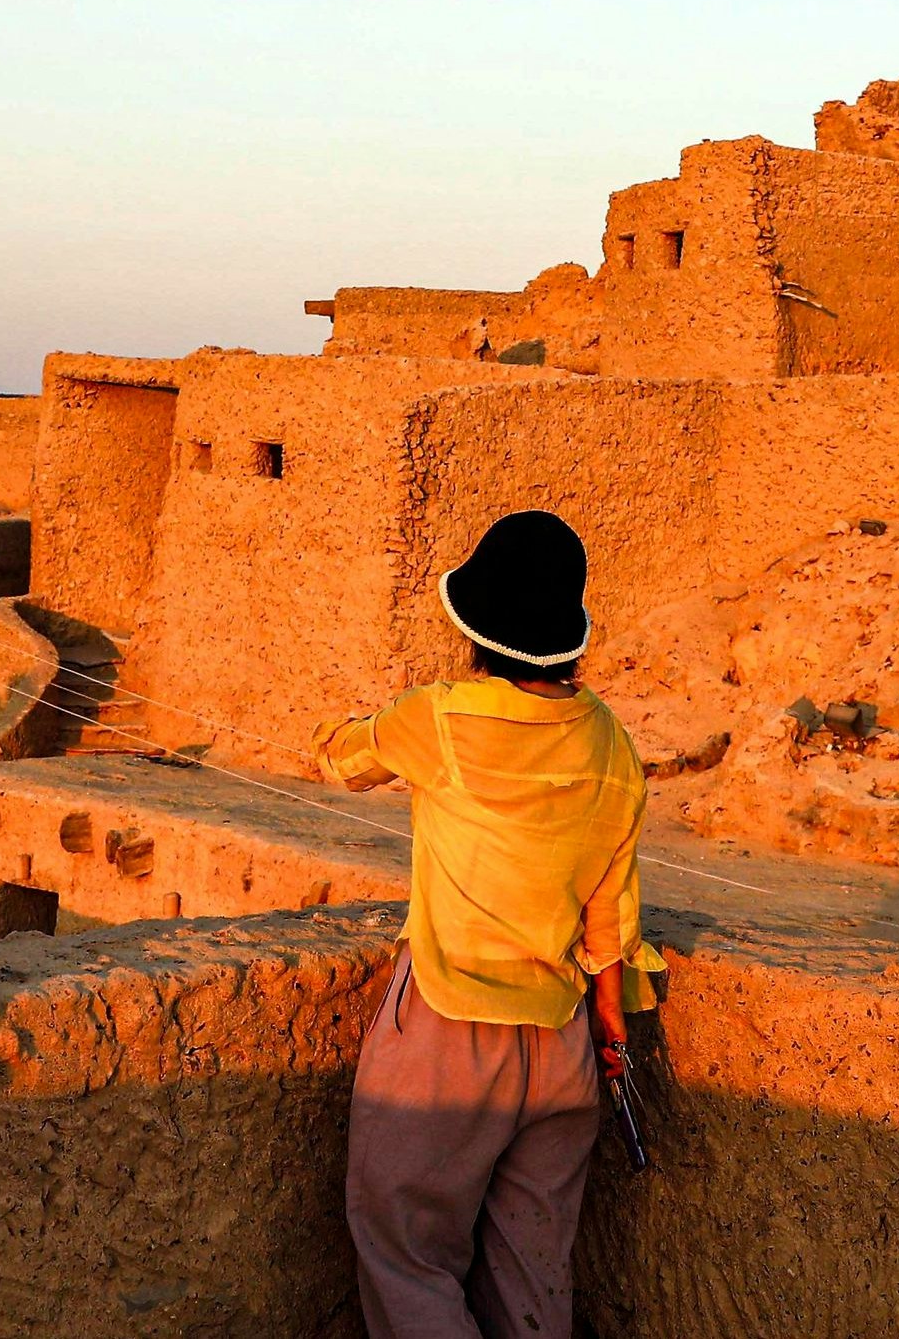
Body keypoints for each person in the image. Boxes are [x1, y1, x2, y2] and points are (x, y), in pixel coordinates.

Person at [317, 510, 660, 1339]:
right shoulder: (611, 741)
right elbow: (611, 907)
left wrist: (354, 731)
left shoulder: (439, 717)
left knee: (406, 1253)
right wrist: (609, 1018)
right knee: (533, 1277)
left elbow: (340, 759)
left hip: (449, 1032)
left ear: (477, 628)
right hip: (563, 1040)